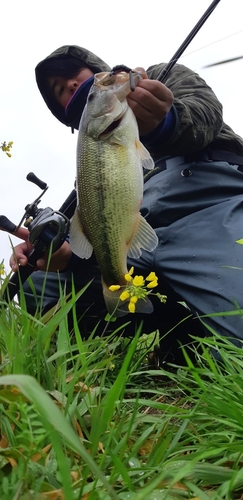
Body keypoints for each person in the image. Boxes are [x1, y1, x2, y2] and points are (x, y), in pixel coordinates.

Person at [10, 45, 243, 364]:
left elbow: (207, 113)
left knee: (236, 342)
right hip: (140, 241)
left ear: (96, 68)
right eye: (58, 90)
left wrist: (165, 122)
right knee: (36, 286)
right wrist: (68, 256)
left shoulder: (161, 76)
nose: (69, 86)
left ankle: (195, 332)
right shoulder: (88, 167)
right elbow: (96, 231)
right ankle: (173, 325)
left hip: (208, 203)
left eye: (72, 74)